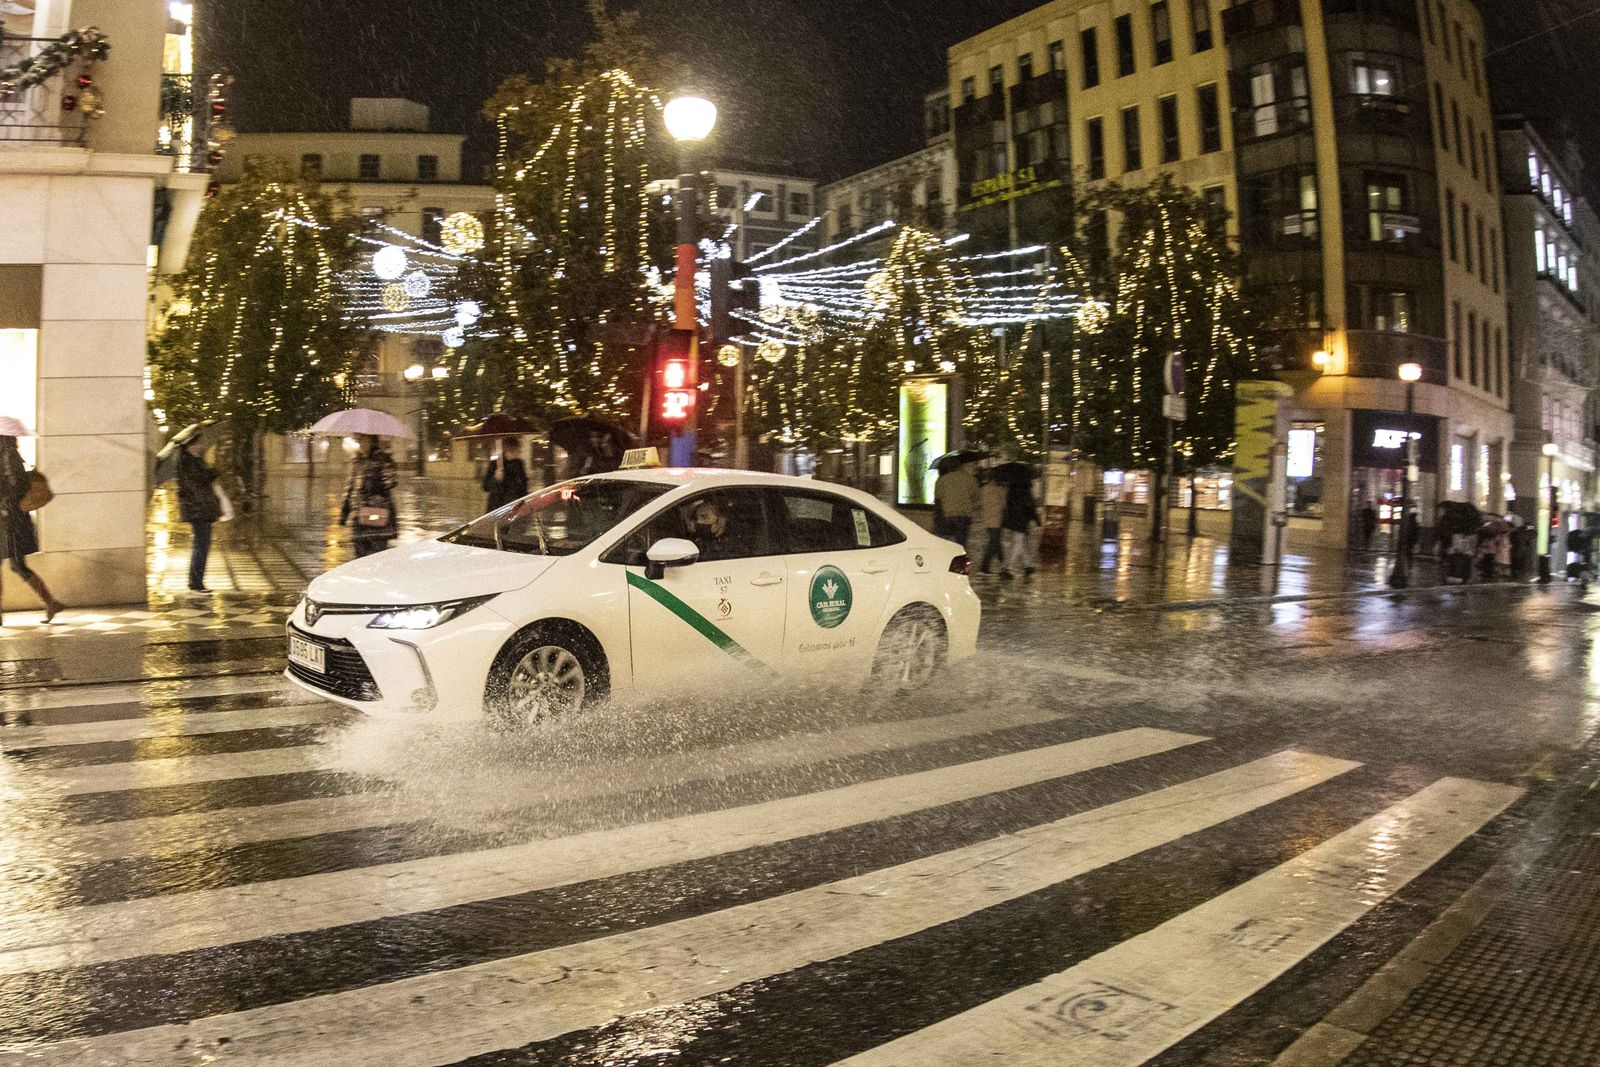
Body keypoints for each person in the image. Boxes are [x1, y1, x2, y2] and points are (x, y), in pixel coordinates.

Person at [0, 432, 63, 623]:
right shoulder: (10, 455)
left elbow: (14, 487)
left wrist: (4, 505)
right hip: (11, 519)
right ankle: (50, 602)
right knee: (17, 565)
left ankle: (50, 602)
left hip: (9, 519)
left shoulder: (8, 456)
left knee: (17, 565)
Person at [175, 427, 222, 593]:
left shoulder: (194, 460)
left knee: (201, 545)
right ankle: (196, 583)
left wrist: (209, 472)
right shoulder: (187, 462)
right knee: (201, 545)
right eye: (195, 444)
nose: (199, 446)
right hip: (198, 509)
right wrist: (210, 473)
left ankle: (195, 581)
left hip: (201, 509)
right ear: (188, 446)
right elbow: (195, 484)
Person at [341, 434, 399, 558]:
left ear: (372, 441)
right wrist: (344, 515)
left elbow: (391, 483)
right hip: (359, 517)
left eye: (363, 440)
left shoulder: (384, 459)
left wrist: (375, 478)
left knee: (377, 558)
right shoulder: (356, 461)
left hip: (378, 516)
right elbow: (350, 488)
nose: (361, 444)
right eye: (359, 440)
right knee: (359, 559)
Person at [1001, 468, 1040, 581]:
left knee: (1020, 542)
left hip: (1014, 519)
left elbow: (1008, 505)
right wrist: (1036, 519)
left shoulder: (1012, 489)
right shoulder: (1025, 490)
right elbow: (1030, 506)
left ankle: (1028, 565)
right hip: (1021, 519)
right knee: (1018, 543)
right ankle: (1007, 568)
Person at [933, 460, 980, 548]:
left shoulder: (941, 480)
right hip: (964, 515)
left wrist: (937, 520)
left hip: (947, 515)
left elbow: (938, 501)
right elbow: (976, 497)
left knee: (947, 542)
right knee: (961, 544)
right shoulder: (969, 478)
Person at [482, 437, 529, 513]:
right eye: (517, 450)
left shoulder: (519, 464)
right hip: (496, 508)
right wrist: (496, 478)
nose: (519, 452)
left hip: (514, 508)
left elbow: (523, 487)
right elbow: (485, 487)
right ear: (508, 450)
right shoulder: (495, 464)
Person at [979, 470, 1006, 575]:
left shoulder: (984, 488)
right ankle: (984, 567)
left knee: (996, 542)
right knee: (993, 543)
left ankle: (1004, 565)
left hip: (987, 519)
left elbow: (982, 503)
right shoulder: (1000, 489)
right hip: (996, 519)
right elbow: (1004, 505)